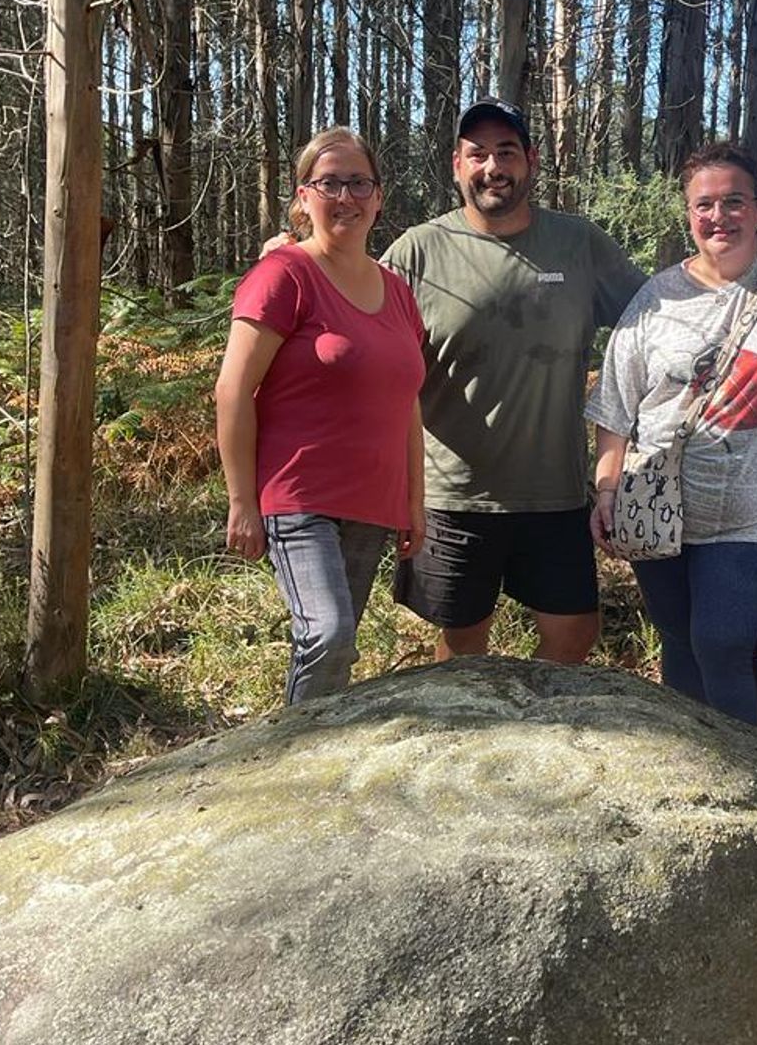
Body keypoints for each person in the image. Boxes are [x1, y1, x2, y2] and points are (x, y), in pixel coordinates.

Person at [383, 98, 647, 664]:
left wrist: (739, 260)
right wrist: (299, 262)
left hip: (553, 490)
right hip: (451, 493)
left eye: (506, 152)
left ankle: (537, 738)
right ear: (457, 164)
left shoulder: (578, 245)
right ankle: (469, 748)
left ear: (530, 160)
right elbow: (359, 328)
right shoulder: (418, 251)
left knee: (575, 632)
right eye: (477, 154)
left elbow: (658, 314)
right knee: (461, 648)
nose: (492, 167)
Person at [586, 142, 757, 729]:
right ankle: (695, 770)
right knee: (679, 639)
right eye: (705, 205)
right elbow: (616, 405)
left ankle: (751, 774)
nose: (719, 217)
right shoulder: (657, 298)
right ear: (688, 214)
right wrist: (607, 490)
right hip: (663, 501)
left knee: (723, 639)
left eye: (735, 201)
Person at [215, 126, 426, 704]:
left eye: (359, 183)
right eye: (329, 183)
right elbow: (233, 389)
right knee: (328, 636)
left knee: (337, 643)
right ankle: (283, 769)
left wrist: (413, 500)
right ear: (303, 197)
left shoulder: (396, 291)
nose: (346, 197)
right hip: (298, 496)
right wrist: (241, 501)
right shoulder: (284, 275)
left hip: (373, 502)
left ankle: (310, 752)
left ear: (379, 198)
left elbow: (407, 401)